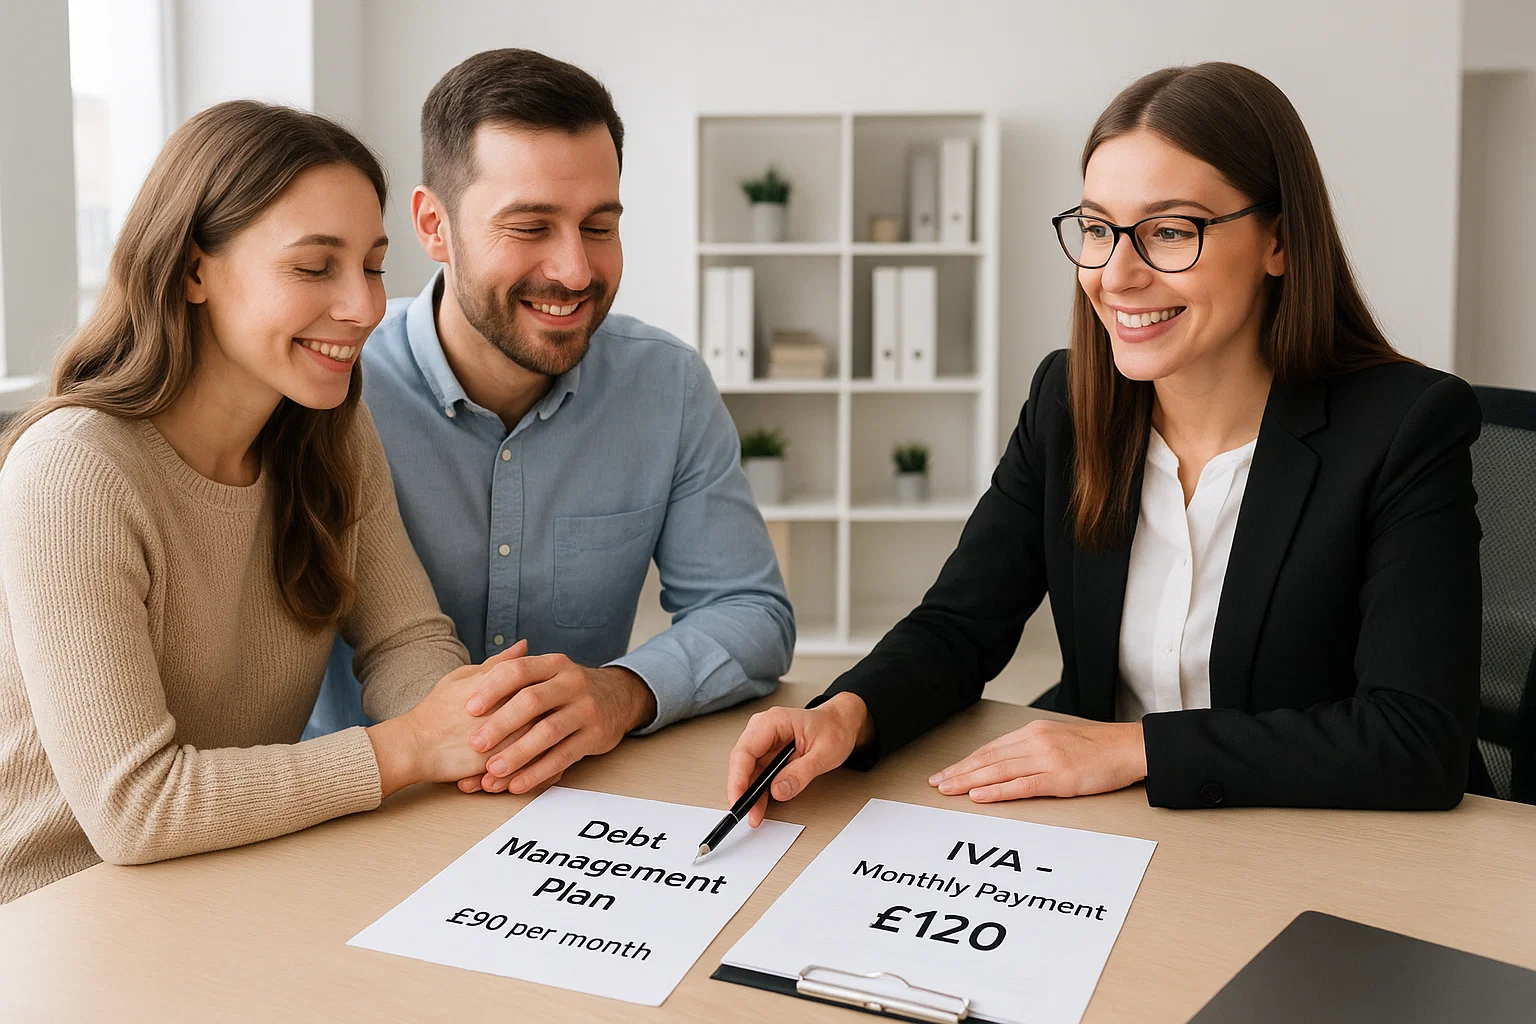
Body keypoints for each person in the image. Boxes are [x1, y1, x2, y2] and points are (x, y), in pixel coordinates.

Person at [726, 62, 1482, 819]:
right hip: (1108, 835)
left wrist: (1134, 749)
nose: (1115, 275)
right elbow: (960, 625)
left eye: (1170, 231)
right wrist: (844, 713)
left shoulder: (1403, 428)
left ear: (1277, 241)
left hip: (1304, 843)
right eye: (1096, 228)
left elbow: (1415, 738)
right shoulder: (1069, 402)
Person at [0, 101, 532, 903]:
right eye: (315, 267)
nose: (362, 307)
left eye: (374, 264)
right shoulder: (74, 472)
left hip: (230, 885)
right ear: (192, 270)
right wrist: (411, 748)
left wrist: (484, 725)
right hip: (56, 919)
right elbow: (135, 810)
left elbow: (404, 640)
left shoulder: (331, 433)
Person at [304, 48, 794, 797]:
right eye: (531, 227)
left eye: (599, 226)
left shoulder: (666, 385)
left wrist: (620, 692)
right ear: (433, 226)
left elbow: (750, 611)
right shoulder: (332, 387)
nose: (574, 270)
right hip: (363, 811)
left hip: (566, 810)